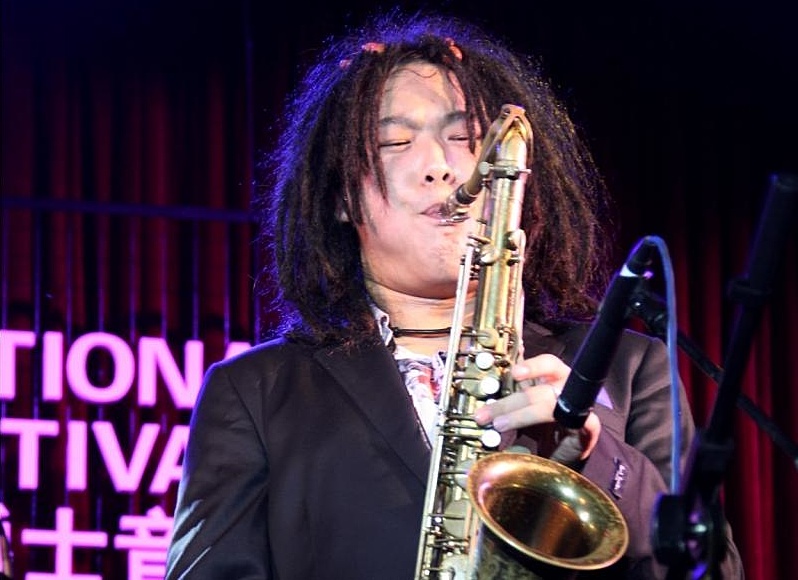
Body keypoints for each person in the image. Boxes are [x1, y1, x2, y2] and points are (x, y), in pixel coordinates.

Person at [165, 9, 743, 579]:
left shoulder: (630, 369)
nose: (440, 167)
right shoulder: (255, 392)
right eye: (395, 142)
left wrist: (598, 460)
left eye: (464, 138)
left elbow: (715, 571)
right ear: (340, 197)